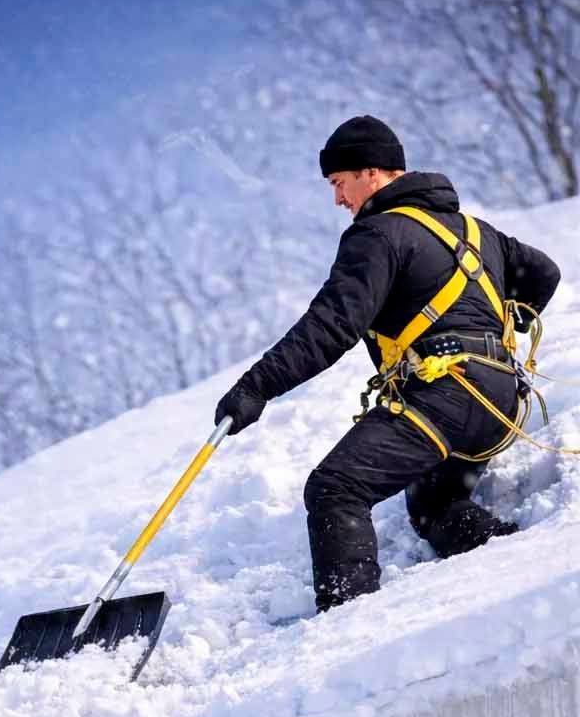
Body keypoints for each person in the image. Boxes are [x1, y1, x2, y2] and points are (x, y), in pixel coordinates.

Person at [215, 115, 561, 612]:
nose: (338, 199)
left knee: (336, 487)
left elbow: (331, 325)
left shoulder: (377, 234)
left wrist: (256, 387)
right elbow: (544, 272)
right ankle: (511, 559)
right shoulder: (477, 231)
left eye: (339, 183)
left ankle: (348, 621)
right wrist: (502, 332)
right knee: (434, 506)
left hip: (446, 396)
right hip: (500, 402)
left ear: (371, 172)